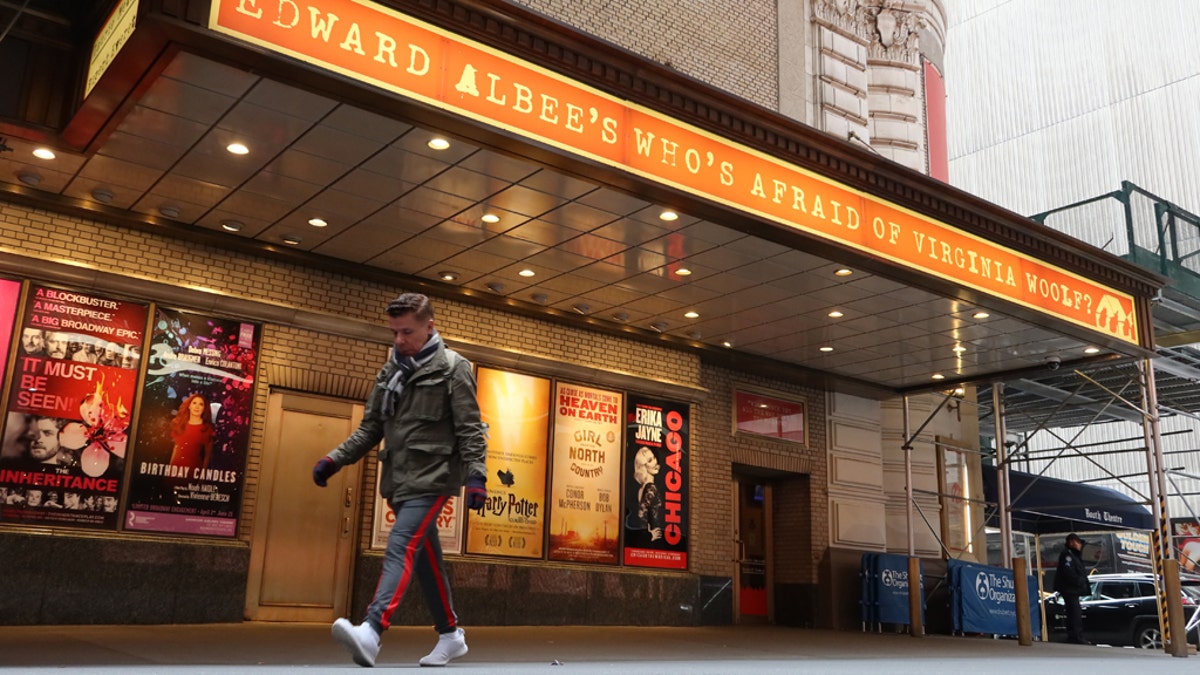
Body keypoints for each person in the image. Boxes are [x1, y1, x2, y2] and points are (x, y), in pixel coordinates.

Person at [312, 292, 488, 668]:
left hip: (435, 477)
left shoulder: (454, 368)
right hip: (399, 479)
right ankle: (451, 634)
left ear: (430, 327)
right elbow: (371, 428)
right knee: (424, 560)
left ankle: (372, 631)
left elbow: (471, 430)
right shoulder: (390, 371)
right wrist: (334, 460)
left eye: (406, 332)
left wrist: (476, 477)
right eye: (394, 332)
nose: (399, 340)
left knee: (400, 545)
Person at [1054, 533, 1092, 645]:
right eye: (1078, 542)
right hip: (1070, 590)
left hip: (1073, 590)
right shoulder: (1068, 555)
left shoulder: (1074, 555)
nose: (1080, 545)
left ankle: (1075, 635)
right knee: (1074, 613)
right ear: (1071, 542)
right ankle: (1076, 636)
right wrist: (1079, 582)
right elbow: (1069, 572)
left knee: (1074, 613)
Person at [168, 393, 215, 469]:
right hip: (174, 470)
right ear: (189, 406)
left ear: (204, 409)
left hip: (193, 471)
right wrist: (169, 469)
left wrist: (202, 478)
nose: (197, 407)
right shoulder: (181, 425)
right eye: (194, 403)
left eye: (201, 404)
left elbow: (207, 457)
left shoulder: (207, 429)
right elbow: (176, 448)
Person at [630, 447, 664, 541]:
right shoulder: (650, 488)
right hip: (655, 541)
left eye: (654, 458)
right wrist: (649, 535)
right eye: (650, 460)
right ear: (643, 467)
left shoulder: (643, 488)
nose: (654, 462)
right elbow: (641, 515)